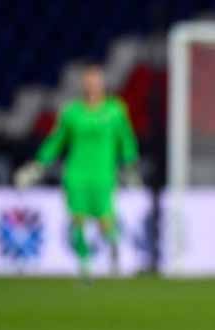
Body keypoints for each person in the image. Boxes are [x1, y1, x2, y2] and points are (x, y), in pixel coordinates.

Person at [14, 64, 141, 279]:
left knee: (105, 220)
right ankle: (84, 265)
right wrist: (38, 164)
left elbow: (125, 139)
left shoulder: (115, 111)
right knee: (78, 219)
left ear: (103, 84)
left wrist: (130, 165)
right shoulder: (72, 112)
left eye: (96, 82)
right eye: (89, 82)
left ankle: (114, 250)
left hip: (103, 174)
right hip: (76, 174)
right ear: (84, 85)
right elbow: (56, 141)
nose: (92, 86)